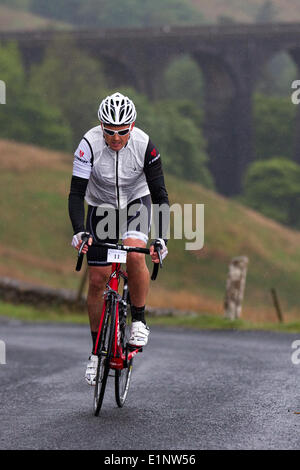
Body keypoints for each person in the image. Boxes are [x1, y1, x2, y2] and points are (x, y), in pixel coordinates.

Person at [68, 92, 169, 385]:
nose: (115, 138)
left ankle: (138, 319)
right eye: (109, 131)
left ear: (132, 126)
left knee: (136, 253)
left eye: (122, 131)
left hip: (137, 201)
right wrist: (79, 231)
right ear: (101, 126)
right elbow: (76, 193)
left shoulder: (145, 146)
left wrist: (160, 238)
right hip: (101, 207)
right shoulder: (88, 145)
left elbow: (160, 194)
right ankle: (96, 353)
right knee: (97, 279)